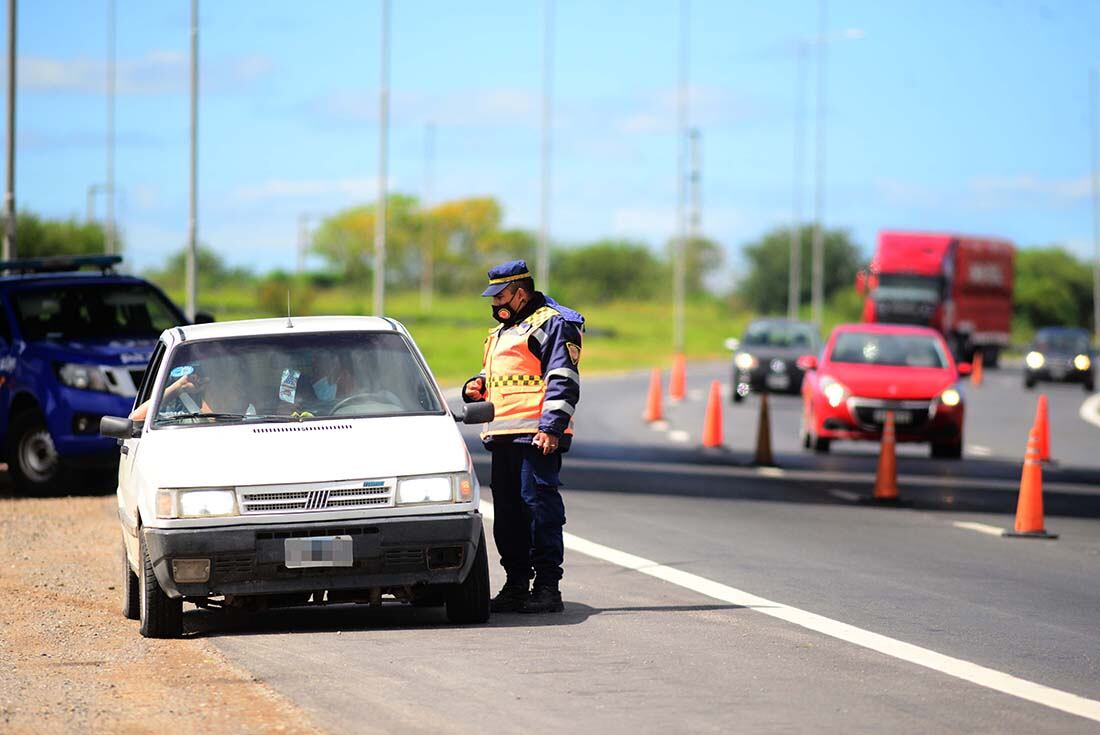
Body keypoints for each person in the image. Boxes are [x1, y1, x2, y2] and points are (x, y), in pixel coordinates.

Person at [463, 259, 584, 614]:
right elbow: (505, 376)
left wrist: (551, 428)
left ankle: (547, 587)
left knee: (539, 510)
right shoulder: (505, 330)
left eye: (499, 296)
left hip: (535, 436)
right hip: (503, 437)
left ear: (520, 293)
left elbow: (563, 377)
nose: (494, 304)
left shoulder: (553, 324)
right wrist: (478, 385)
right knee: (509, 515)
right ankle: (516, 585)